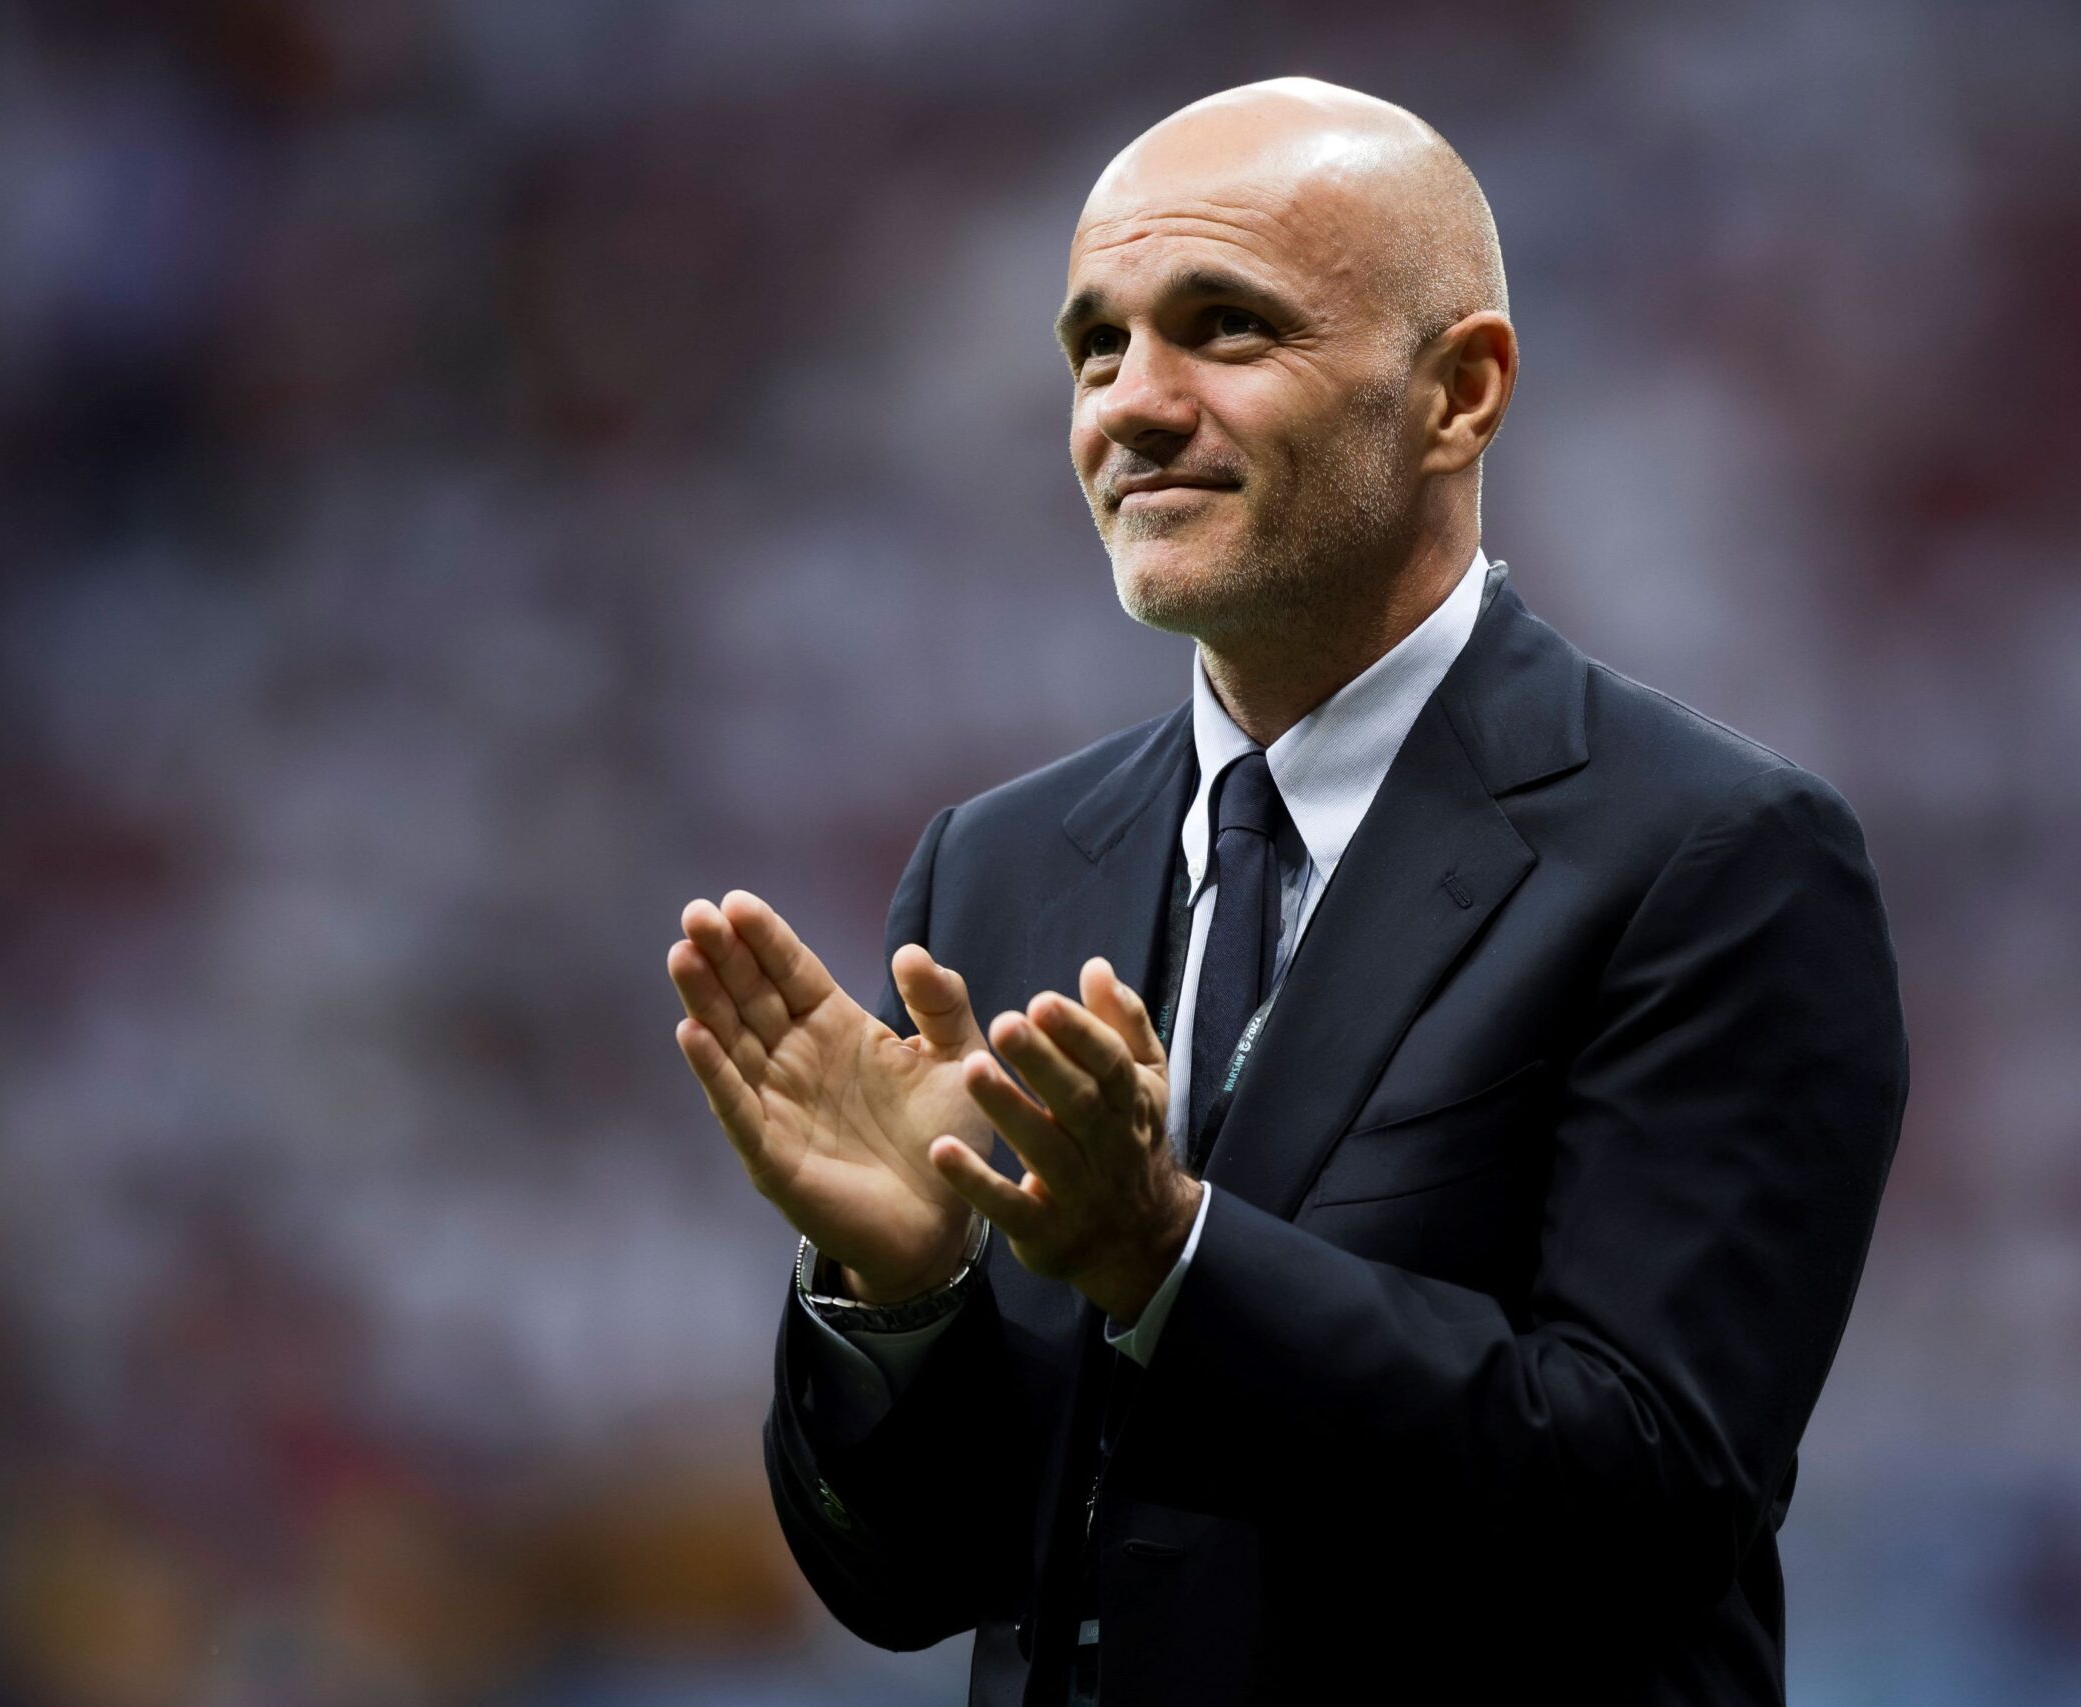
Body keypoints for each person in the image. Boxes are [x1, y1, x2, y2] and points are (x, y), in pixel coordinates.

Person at [663, 77, 1905, 1706]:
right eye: (1094, 347)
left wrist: (1173, 1264)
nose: (1132, 405)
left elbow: (1652, 1496)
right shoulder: (1001, 866)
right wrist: (899, 1296)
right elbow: (913, 1589)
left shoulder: (1714, 858)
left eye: (1225, 328)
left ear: (1458, 392)